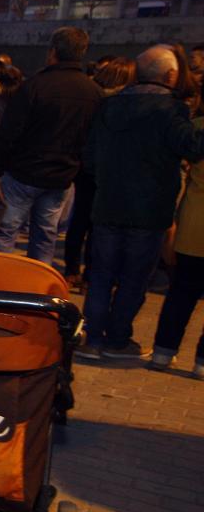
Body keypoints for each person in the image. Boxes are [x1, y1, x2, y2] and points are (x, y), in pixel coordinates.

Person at [78, 44, 204, 360]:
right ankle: (118, 340)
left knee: (101, 275)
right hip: (149, 209)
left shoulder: (109, 106)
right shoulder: (170, 110)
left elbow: (90, 157)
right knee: (134, 278)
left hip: (107, 204)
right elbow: (191, 146)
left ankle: (92, 338)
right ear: (171, 74)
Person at [0, 27, 102, 265]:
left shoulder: (36, 86)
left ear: (52, 52)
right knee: (45, 236)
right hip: (61, 176)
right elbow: (93, 139)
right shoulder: (93, 92)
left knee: (6, 232)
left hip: (24, 173)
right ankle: (37, 290)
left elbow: (9, 132)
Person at [64, 57, 136, 290]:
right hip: (106, 171)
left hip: (85, 167)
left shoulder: (92, 98)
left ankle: (71, 270)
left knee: (80, 219)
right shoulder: (119, 104)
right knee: (97, 225)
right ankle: (89, 275)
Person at [151, 103, 204, 377]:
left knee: (181, 292)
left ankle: (162, 352)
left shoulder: (196, 128)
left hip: (195, 221)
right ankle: (201, 363)